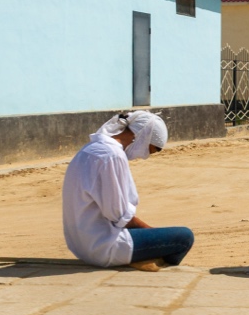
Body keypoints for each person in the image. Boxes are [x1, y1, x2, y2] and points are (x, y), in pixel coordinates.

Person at [62, 110, 194, 271]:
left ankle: (143, 256)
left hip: (81, 245)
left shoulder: (89, 149)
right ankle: (145, 259)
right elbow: (119, 216)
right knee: (183, 238)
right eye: (149, 149)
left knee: (164, 238)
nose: (145, 156)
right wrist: (154, 234)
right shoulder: (112, 155)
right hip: (104, 246)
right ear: (143, 137)